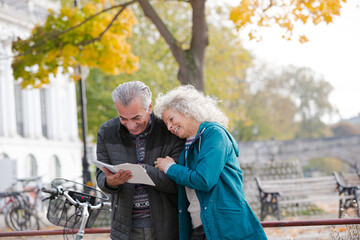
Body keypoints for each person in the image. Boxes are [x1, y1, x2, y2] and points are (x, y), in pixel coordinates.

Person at [154, 85, 268, 240]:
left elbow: (204, 179)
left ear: (187, 110)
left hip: (224, 226)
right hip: (200, 226)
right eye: (166, 123)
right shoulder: (186, 143)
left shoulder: (214, 135)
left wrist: (170, 167)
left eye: (171, 119)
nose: (169, 127)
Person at [96, 81, 184, 240]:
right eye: (123, 118)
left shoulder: (169, 130)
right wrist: (110, 182)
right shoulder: (106, 132)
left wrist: (145, 170)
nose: (130, 125)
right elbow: (101, 178)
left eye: (136, 117)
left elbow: (178, 183)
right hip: (124, 229)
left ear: (149, 107)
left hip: (167, 228)